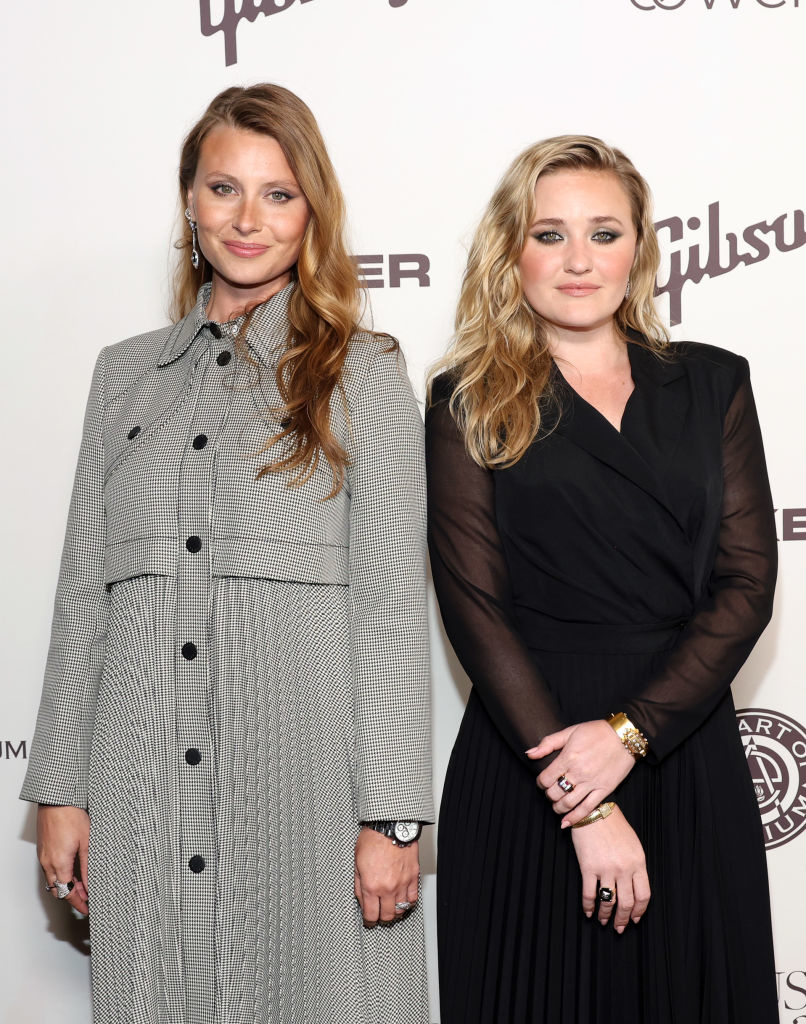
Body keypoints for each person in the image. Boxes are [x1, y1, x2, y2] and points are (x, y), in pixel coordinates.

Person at [21, 84, 433, 1024]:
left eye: (278, 194)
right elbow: (85, 590)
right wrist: (60, 789)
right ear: (189, 203)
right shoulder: (121, 374)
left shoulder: (363, 371)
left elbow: (387, 612)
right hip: (142, 783)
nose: (248, 219)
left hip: (309, 789)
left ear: (312, 211)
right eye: (223, 189)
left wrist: (392, 818)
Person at [426, 135, 778, 1023]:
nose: (579, 260)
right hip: (532, 757)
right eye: (550, 234)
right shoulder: (468, 397)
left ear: (641, 250)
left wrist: (627, 735)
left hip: (683, 744)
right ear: (513, 253)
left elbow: (746, 585)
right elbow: (475, 610)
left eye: (604, 232)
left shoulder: (713, 383)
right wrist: (582, 804)